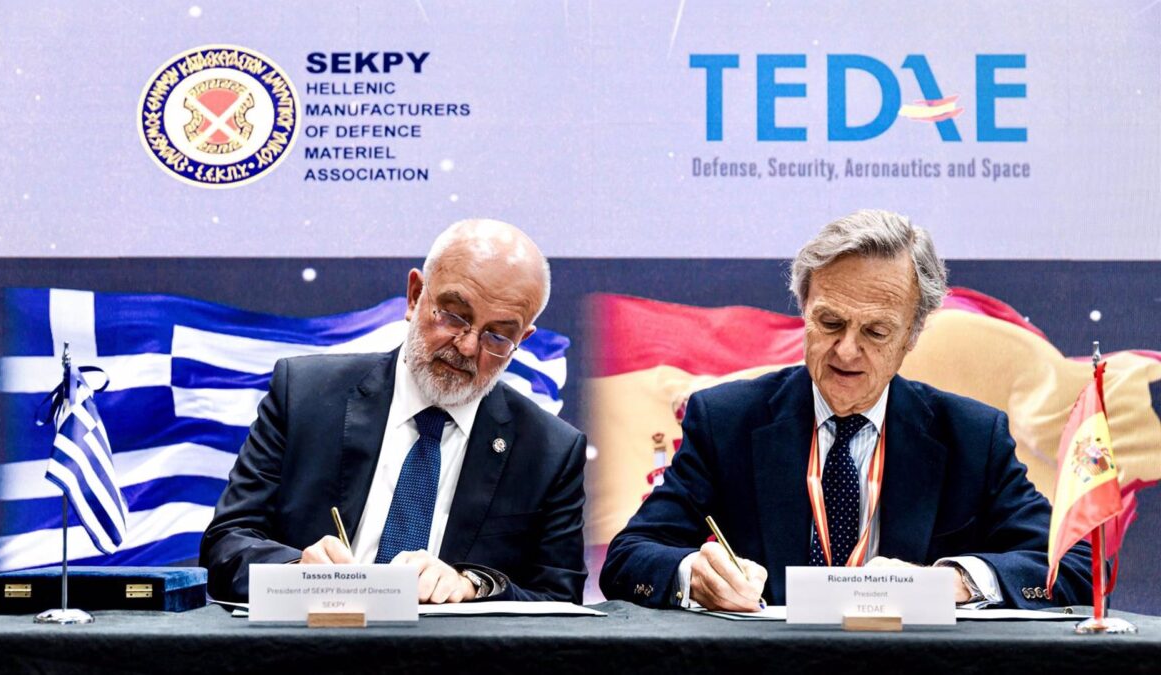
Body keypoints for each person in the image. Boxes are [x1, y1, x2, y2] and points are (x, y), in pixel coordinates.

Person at [599, 209, 1093, 611]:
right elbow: (627, 559)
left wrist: (955, 582)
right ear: (804, 312)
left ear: (911, 337)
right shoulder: (726, 420)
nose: (846, 351)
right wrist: (693, 575)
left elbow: (1077, 566)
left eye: (876, 332)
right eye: (830, 323)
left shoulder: (970, 436)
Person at [201, 219, 587, 604]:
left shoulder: (550, 451)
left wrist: (476, 586)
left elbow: (560, 599)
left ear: (522, 339)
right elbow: (226, 545)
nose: (468, 346)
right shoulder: (304, 395)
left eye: (498, 335)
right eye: (454, 315)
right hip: (312, 634)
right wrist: (296, 572)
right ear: (415, 296)